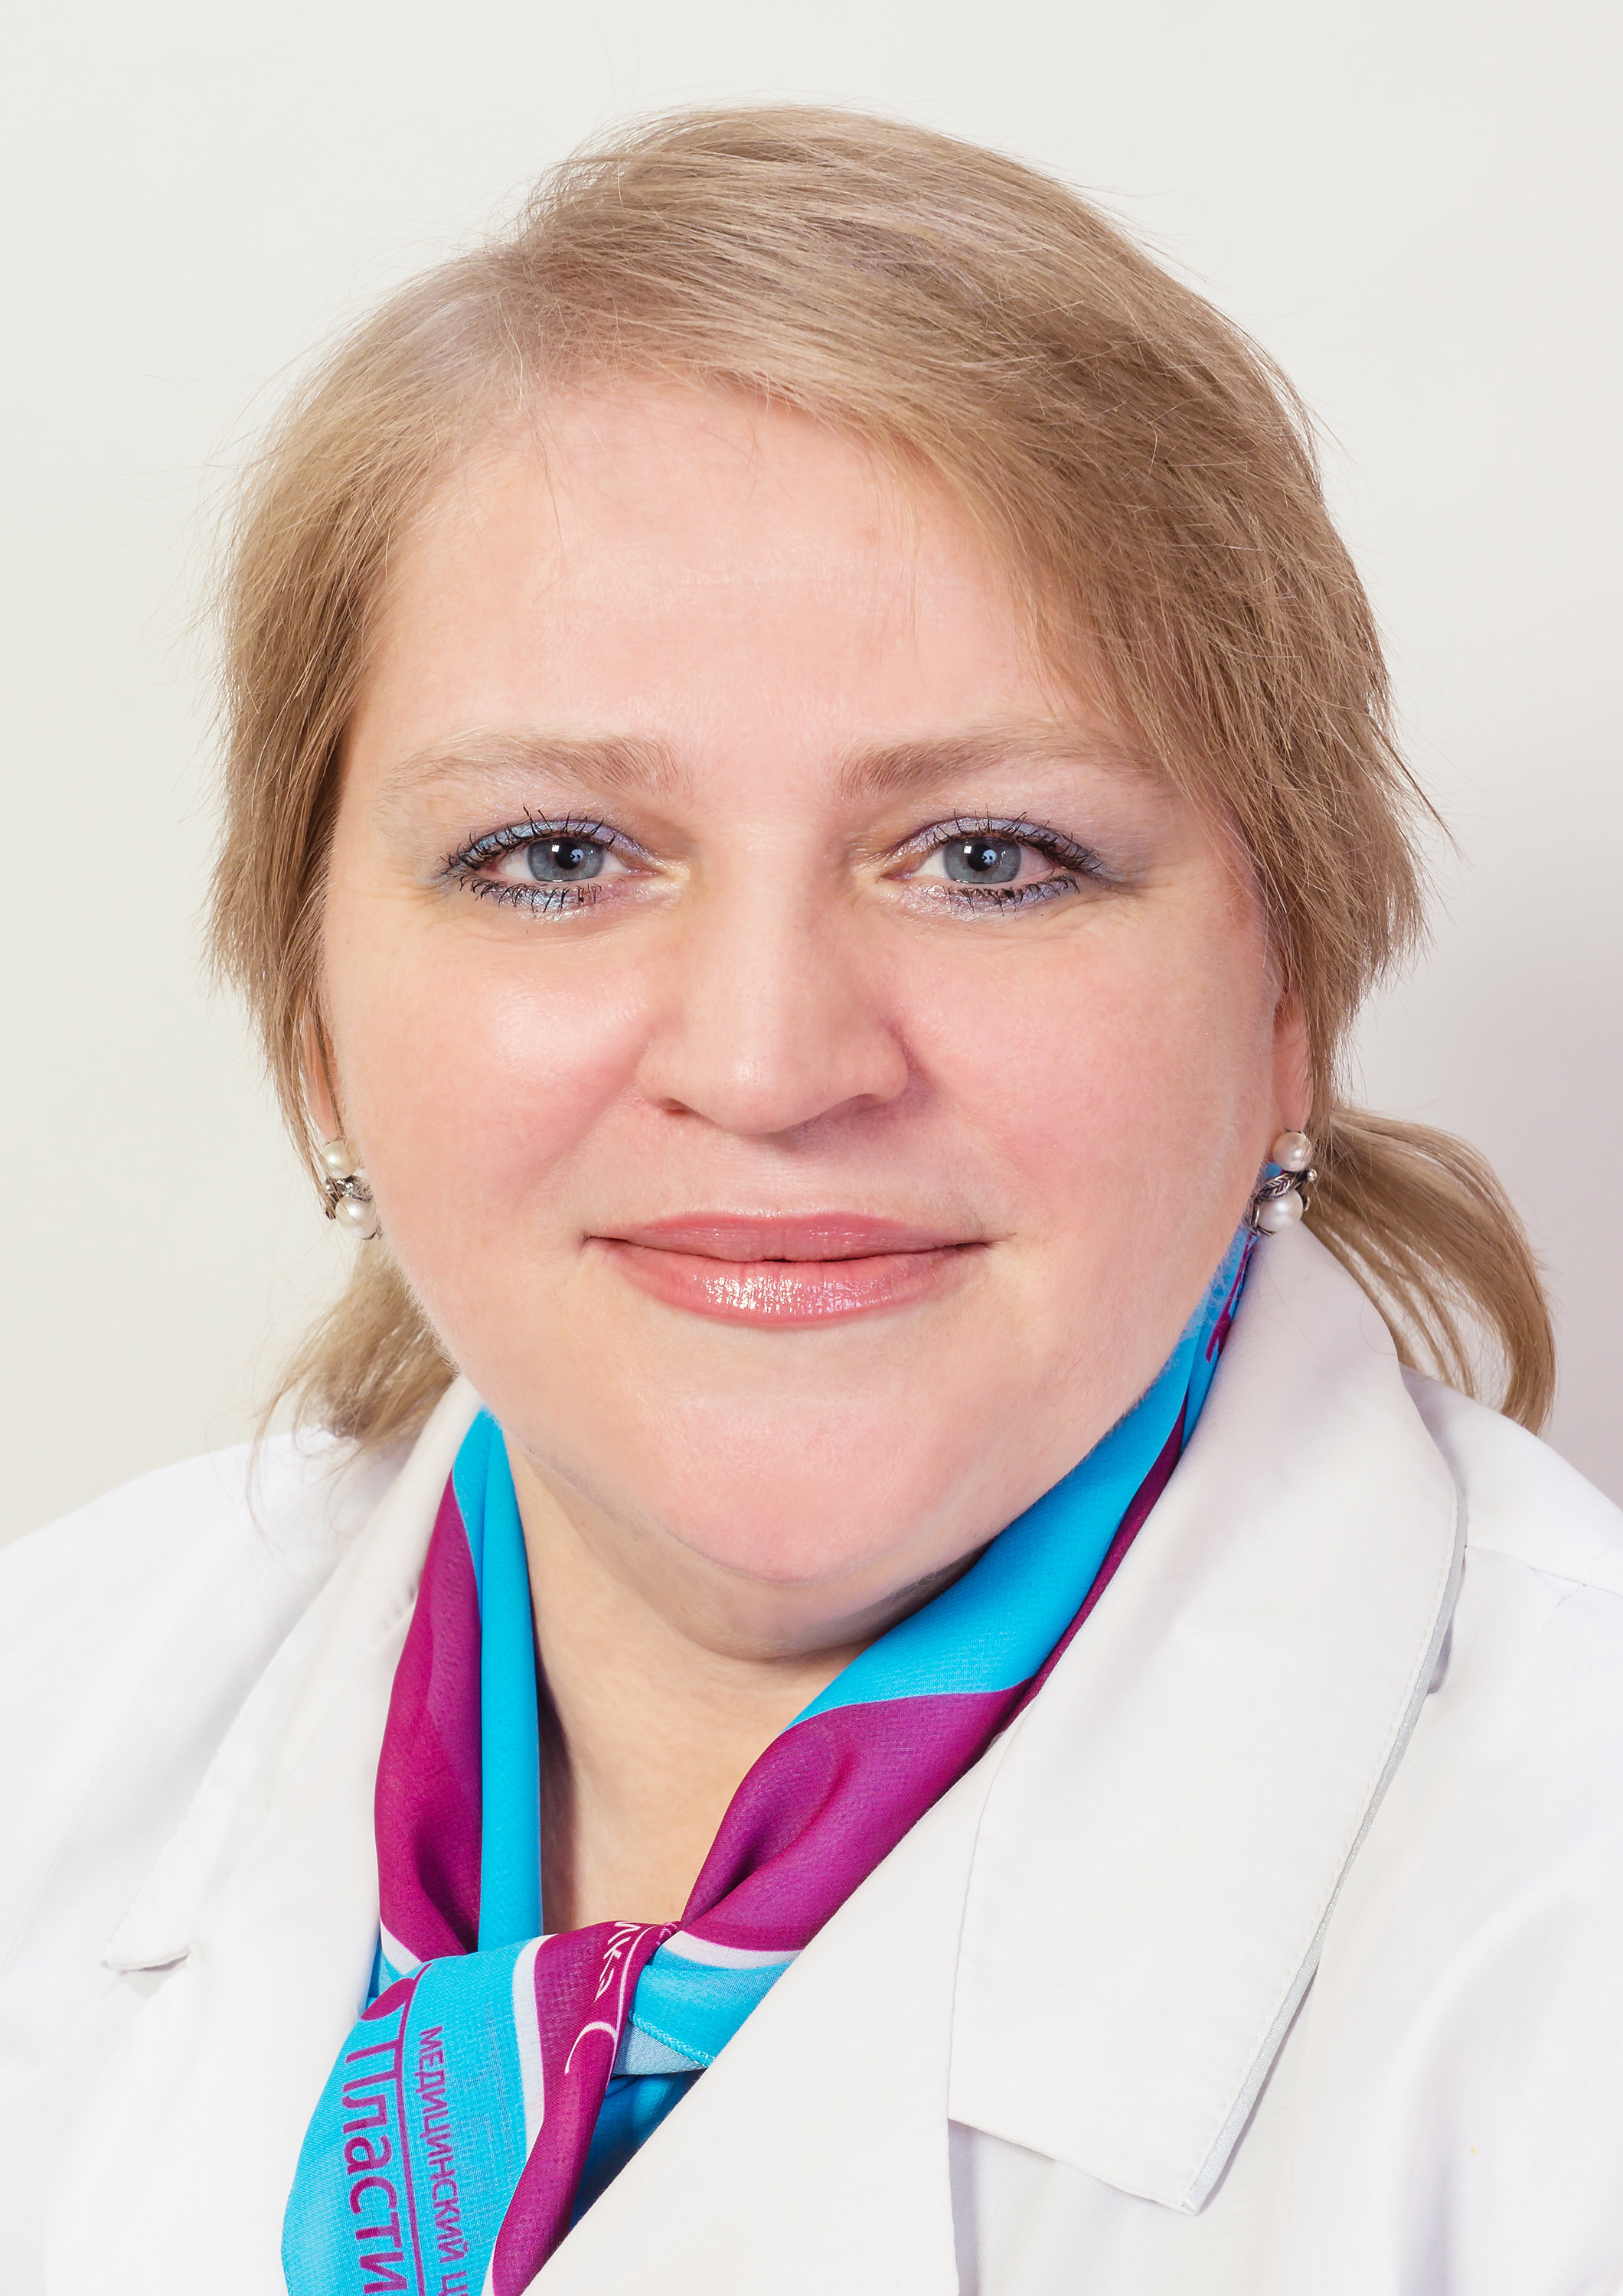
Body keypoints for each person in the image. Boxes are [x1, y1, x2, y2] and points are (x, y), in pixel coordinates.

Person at [3, 104, 1621, 2296]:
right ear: (313, 1020)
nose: (769, 1068)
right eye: (554, 856)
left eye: (993, 858)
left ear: (1287, 1007)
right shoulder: (46, 1713)